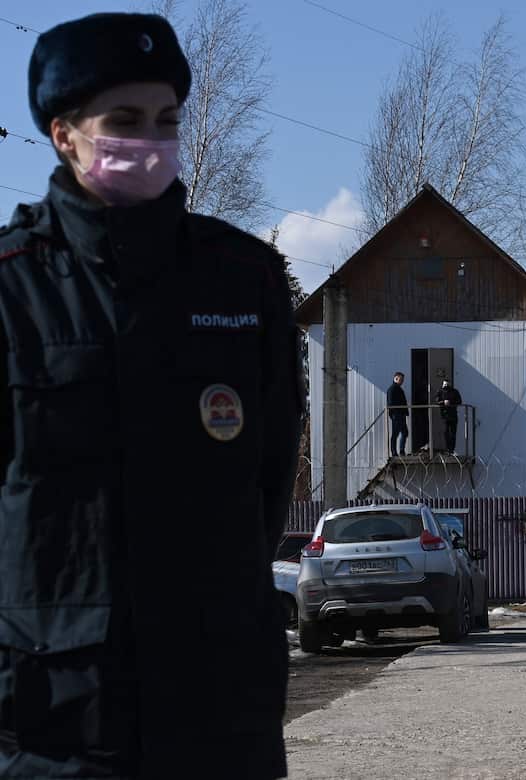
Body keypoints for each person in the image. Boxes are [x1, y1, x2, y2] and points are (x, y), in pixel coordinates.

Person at [0, 13, 303, 778]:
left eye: (166, 120)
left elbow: (267, 477)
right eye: (125, 121)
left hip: (216, 706)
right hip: (54, 717)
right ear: (65, 133)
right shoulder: (12, 287)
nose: (151, 141)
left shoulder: (243, 279)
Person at [435, 378, 463, 455]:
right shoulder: (440, 391)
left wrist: (451, 402)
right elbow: (436, 401)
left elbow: (459, 401)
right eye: (444, 384)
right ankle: (447, 449)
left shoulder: (455, 391)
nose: (446, 386)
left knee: (453, 433)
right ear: (442, 384)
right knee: (446, 432)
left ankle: (451, 449)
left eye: (447, 384)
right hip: (444, 415)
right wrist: (443, 402)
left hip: (453, 414)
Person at [387, 371, 409, 456]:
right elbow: (390, 403)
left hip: (401, 414)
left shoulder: (398, 388)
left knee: (404, 432)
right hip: (397, 415)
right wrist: (393, 414)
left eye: (403, 380)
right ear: (396, 378)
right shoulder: (392, 389)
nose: (402, 381)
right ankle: (394, 452)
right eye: (401, 379)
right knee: (395, 433)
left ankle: (401, 451)